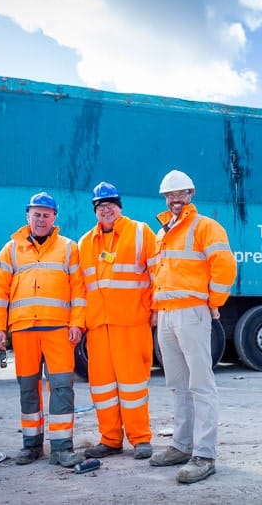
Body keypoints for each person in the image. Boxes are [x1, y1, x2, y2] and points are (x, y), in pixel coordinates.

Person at [147, 170, 236, 484]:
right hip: (168, 315)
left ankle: (205, 454)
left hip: (192, 313)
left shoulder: (205, 226)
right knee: (178, 384)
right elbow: (160, 274)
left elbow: (225, 265)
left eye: (180, 194)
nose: (174, 199)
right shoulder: (163, 232)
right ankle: (182, 446)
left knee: (201, 385)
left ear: (191, 193)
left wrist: (213, 301)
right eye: (169, 195)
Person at [0, 191, 85, 467]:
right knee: (28, 388)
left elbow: (79, 290)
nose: (41, 219)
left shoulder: (68, 248)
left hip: (58, 330)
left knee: (62, 388)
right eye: (36, 214)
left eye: (46, 214)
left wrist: (77, 322)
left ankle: (62, 447)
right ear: (27, 216)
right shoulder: (11, 249)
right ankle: (31, 446)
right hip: (23, 329)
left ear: (55, 217)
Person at [77, 182, 157, 460]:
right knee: (102, 386)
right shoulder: (85, 242)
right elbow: (79, 288)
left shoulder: (140, 232)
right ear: (95, 211)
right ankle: (110, 439)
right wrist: (79, 322)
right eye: (100, 205)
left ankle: (140, 439)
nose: (106, 209)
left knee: (133, 384)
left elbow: (157, 272)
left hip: (132, 323)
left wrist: (155, 309)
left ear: (120, 207)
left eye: (111, 203)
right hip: (98, 326)